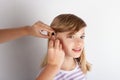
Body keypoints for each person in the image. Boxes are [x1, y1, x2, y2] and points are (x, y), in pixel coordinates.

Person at [36, 14, 91, 80]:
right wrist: (53, 67)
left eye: (81, 37)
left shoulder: (80, 66)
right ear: (53, 37)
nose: (79, 42)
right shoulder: (49, 74)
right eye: (71, 36)